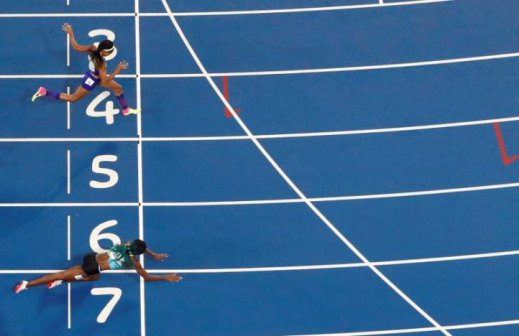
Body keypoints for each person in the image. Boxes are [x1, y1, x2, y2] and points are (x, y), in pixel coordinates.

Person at [31, 23, 140, 116]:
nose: (111, 53)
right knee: (73, 98)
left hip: (97, 76)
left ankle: (126, 110)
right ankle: (44, 92)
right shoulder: (101, 63)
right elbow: (106, 80)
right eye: (110, 51)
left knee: (118, 88)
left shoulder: (92, 48)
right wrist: (118, 69)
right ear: (104, 52)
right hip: (92, 80)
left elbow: (76, 47)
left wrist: (71, 33)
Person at [14, 239, 181, 294]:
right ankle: (26, 284)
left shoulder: (128, 243)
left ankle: (62, 281)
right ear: (138, 253)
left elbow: (141, 248)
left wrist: (154, 255)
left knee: (94, 278)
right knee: (61, 274)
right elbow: (147, 278)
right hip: (92, 267)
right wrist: (166, 277)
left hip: (91, 256)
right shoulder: (134, 262)